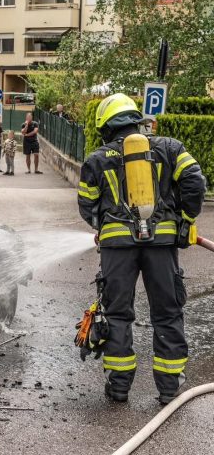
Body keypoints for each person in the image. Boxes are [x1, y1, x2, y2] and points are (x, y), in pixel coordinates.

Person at [77, 93, 205, 404]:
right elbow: (195, 182)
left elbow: (86, 204)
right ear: (137, 120)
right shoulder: (170, 148)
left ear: (106, 126)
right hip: (161, 245)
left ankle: (119, 386)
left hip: (117, 248)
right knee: (168, 313)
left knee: (118, 314)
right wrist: (185, 220)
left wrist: (102, 227)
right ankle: (169, 387)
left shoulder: (96, 159)